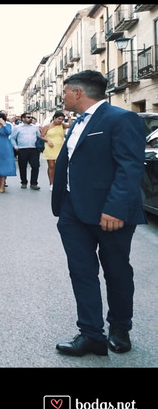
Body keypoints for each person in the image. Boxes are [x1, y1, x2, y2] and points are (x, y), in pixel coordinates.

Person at [52, 70, 146, 357]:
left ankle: (120, 327)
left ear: (78, 92)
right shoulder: (78, 122)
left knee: (116, 272)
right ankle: (91, 334)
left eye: (66, 91)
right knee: (81, 272)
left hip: (110, 213)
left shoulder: (120, 118)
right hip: (72, 212)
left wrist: (115, 208)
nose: (63, 96)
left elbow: (129, 167)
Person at [10, 113, 43, 190]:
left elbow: (39, 136)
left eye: (31, 117)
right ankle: (24, 182)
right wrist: (15, 146)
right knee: (22, 166)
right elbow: (12, 138)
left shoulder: (35, 127)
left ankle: (34, 183)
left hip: (34, 149)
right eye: (28, 117)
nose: (30, 118)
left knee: (35, 166)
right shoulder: (17, 128)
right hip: (22, 149)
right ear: (23, 119)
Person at [40, 111, 70, 191]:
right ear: (54, 118)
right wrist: (48, 140)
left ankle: (60, 183)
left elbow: (70, 125)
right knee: (51, 166)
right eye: (59, 119)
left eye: (62, 119)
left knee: (60, 166)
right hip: (50, 147)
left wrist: (69, 116)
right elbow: (42, 136)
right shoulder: (47, 126)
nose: (60, 121)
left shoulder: (62, 125)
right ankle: (51, 183)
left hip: (60, 147)